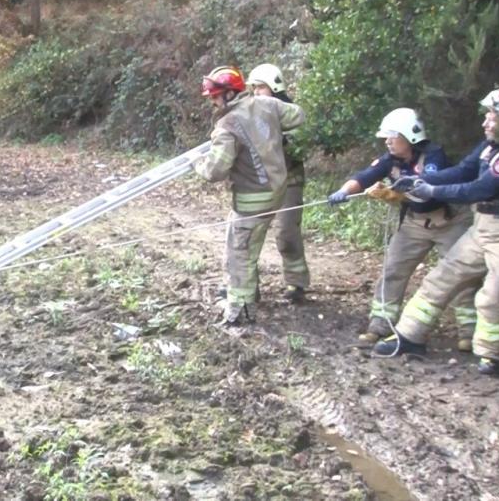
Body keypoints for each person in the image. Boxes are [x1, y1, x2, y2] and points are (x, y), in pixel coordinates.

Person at [375, 87, 499, 375]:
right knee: (441, 278)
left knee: (496, 293)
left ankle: (490, 354)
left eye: (493, 115)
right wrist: (417, 179)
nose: (486, 121)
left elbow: (478, 188)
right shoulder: (489, 147)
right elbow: (463, 171)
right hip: (482, 227)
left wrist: (431, 188)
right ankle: (410, 336)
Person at [327, 108, 477, 350]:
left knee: (462, 276)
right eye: (386, 136)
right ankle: (380, 324)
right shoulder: (390, 160)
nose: (387, 141)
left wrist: (394, 194)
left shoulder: (433, 157)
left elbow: (429, 196)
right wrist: (344, 192)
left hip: (449, 222)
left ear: (411, 136)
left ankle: (469, 332)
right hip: (415, 224)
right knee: (393, 269)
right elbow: (365, 176)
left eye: (392, 136)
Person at [193, 65, 305, 324]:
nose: (212, 100)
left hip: (252, 198)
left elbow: (214, 170)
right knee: (250, 246)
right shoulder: (267, 104)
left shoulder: (227, 125)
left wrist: (197, 163)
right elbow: (298, 116)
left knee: (239, 252)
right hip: (278, 190)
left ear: (230, 94)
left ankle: (240, 312)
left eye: (215, 95)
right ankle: (247, 296)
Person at [247, 64, 310, 303]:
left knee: (286, 234)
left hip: (289, 182)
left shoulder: (291, 113)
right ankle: (247, 287)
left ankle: (296, 283)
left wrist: (276, 140)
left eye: (260, 87)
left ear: (274, 87)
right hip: (258, 185)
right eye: (253, 88)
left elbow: (298, 146)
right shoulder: (249, 114)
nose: (256, 93)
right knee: (248, 235)